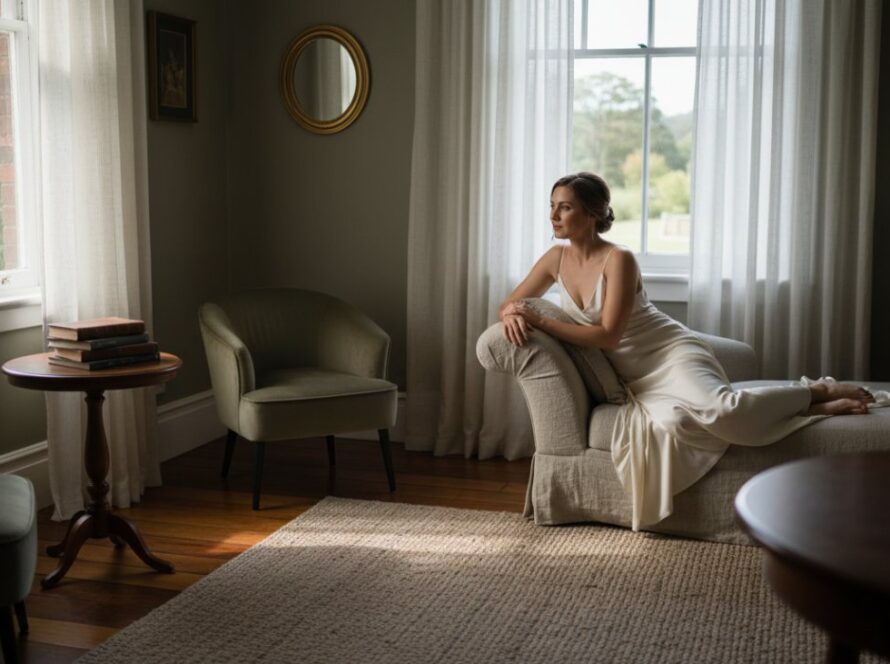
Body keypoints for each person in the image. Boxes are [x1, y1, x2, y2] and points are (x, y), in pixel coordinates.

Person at [497, 172, 875, 529]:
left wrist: (540, 320)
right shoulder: (554, 259)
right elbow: (510, 302)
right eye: (552, 205)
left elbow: (608, 335)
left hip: (670, 353)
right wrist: (511, 312)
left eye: (564, 206)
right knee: (679, 424)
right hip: (637, 378)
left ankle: (814, 392)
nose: (553, 215)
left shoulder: (619, 259)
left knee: (721, 407)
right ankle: (811, 408)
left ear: (593, 212)